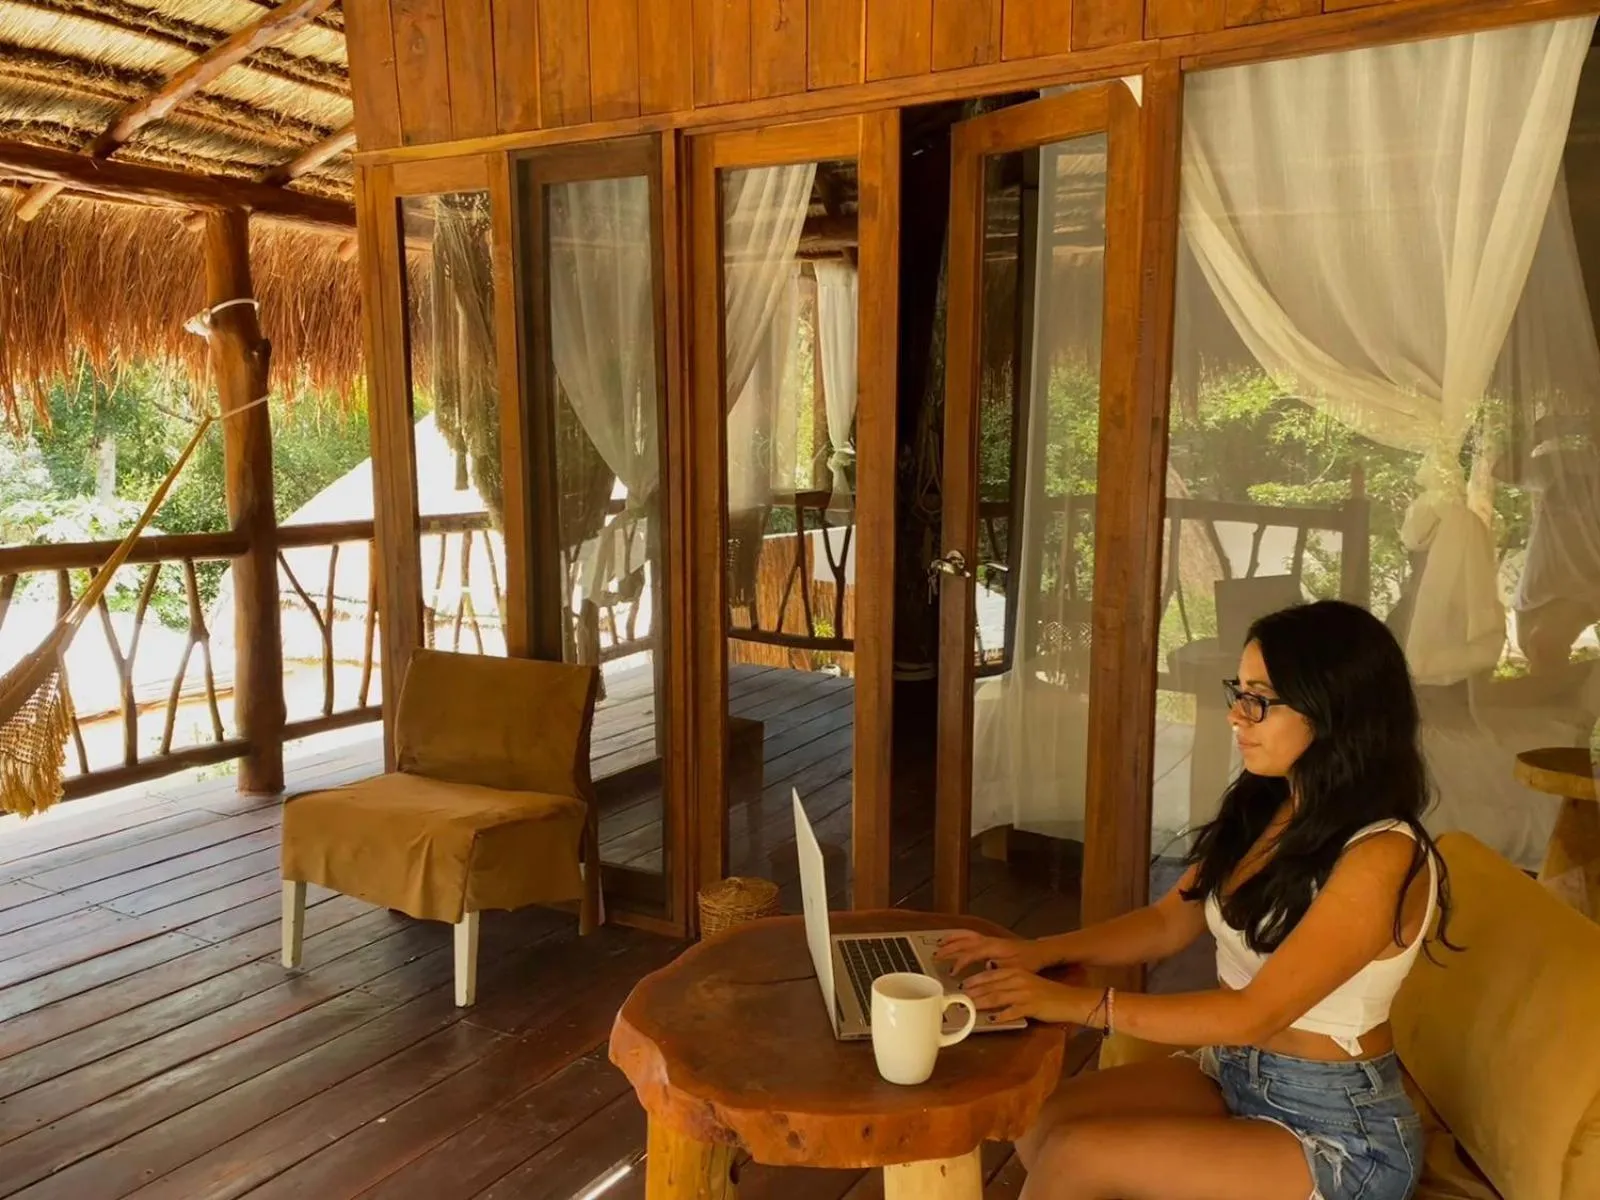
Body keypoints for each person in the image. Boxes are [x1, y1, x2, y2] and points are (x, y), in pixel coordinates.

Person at [936, 600, 1452, 1200]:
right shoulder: (1271, 804)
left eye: (1260, 698)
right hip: (1233, 1071)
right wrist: (1035, 952)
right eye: (1240, 689)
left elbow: (1254, 1013)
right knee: (1040, 1118)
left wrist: (1072, 1003)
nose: (1237, 714)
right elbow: (1165, 923)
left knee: (1080, 1156)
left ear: (1332, 710)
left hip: (1338, 1130)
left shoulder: (1383, 853)